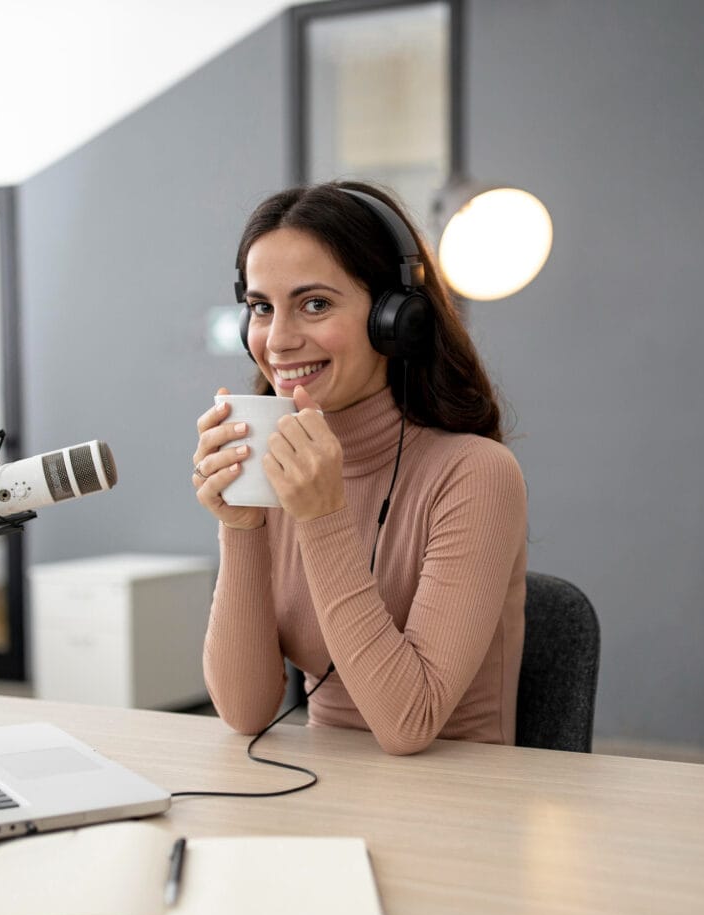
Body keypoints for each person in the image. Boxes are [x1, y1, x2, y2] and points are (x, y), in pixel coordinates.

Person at [192, 181, 527, 755]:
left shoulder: (475, 474)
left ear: (394, 318)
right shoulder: (279, 464)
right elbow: (246, 713)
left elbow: (409, 724)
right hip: (328, 791)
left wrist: (323, 518)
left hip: (464, 805)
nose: (277, 340)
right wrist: (240, 526)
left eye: (314, 304)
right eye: (261, 308)